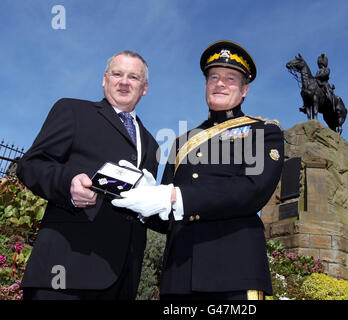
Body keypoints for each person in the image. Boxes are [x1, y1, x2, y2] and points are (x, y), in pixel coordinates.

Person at [112, 41, 284, 300]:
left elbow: (253, 190)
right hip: (180, 273)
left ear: (245, 89)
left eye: (230, 78)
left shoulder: (262, 131)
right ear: (206, 85)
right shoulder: (183, 142)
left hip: (233, 270)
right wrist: (142, 200)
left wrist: (173, 198)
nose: (220, 83)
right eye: (214, 77)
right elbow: (169, 216)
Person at [17, 50, 160, 300]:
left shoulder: (152, 144)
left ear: (144, 87)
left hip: (123, 279)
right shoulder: (73, 110)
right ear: (104, 80)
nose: (124, 81)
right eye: (117, 74)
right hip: (65, 273)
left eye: (133, 77)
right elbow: (30, 164)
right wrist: (68, 184)